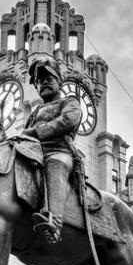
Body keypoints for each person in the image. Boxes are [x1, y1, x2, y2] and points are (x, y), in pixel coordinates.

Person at [23, 57, 82, 243]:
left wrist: (36, 132)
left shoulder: (69, 102)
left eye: (49, 78)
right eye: (40, 81)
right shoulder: (36, 112)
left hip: (59, 152)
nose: (43, 83)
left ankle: (53, 223)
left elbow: (69, 120)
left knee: (54, 164)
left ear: (59, 81)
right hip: (34, 153)